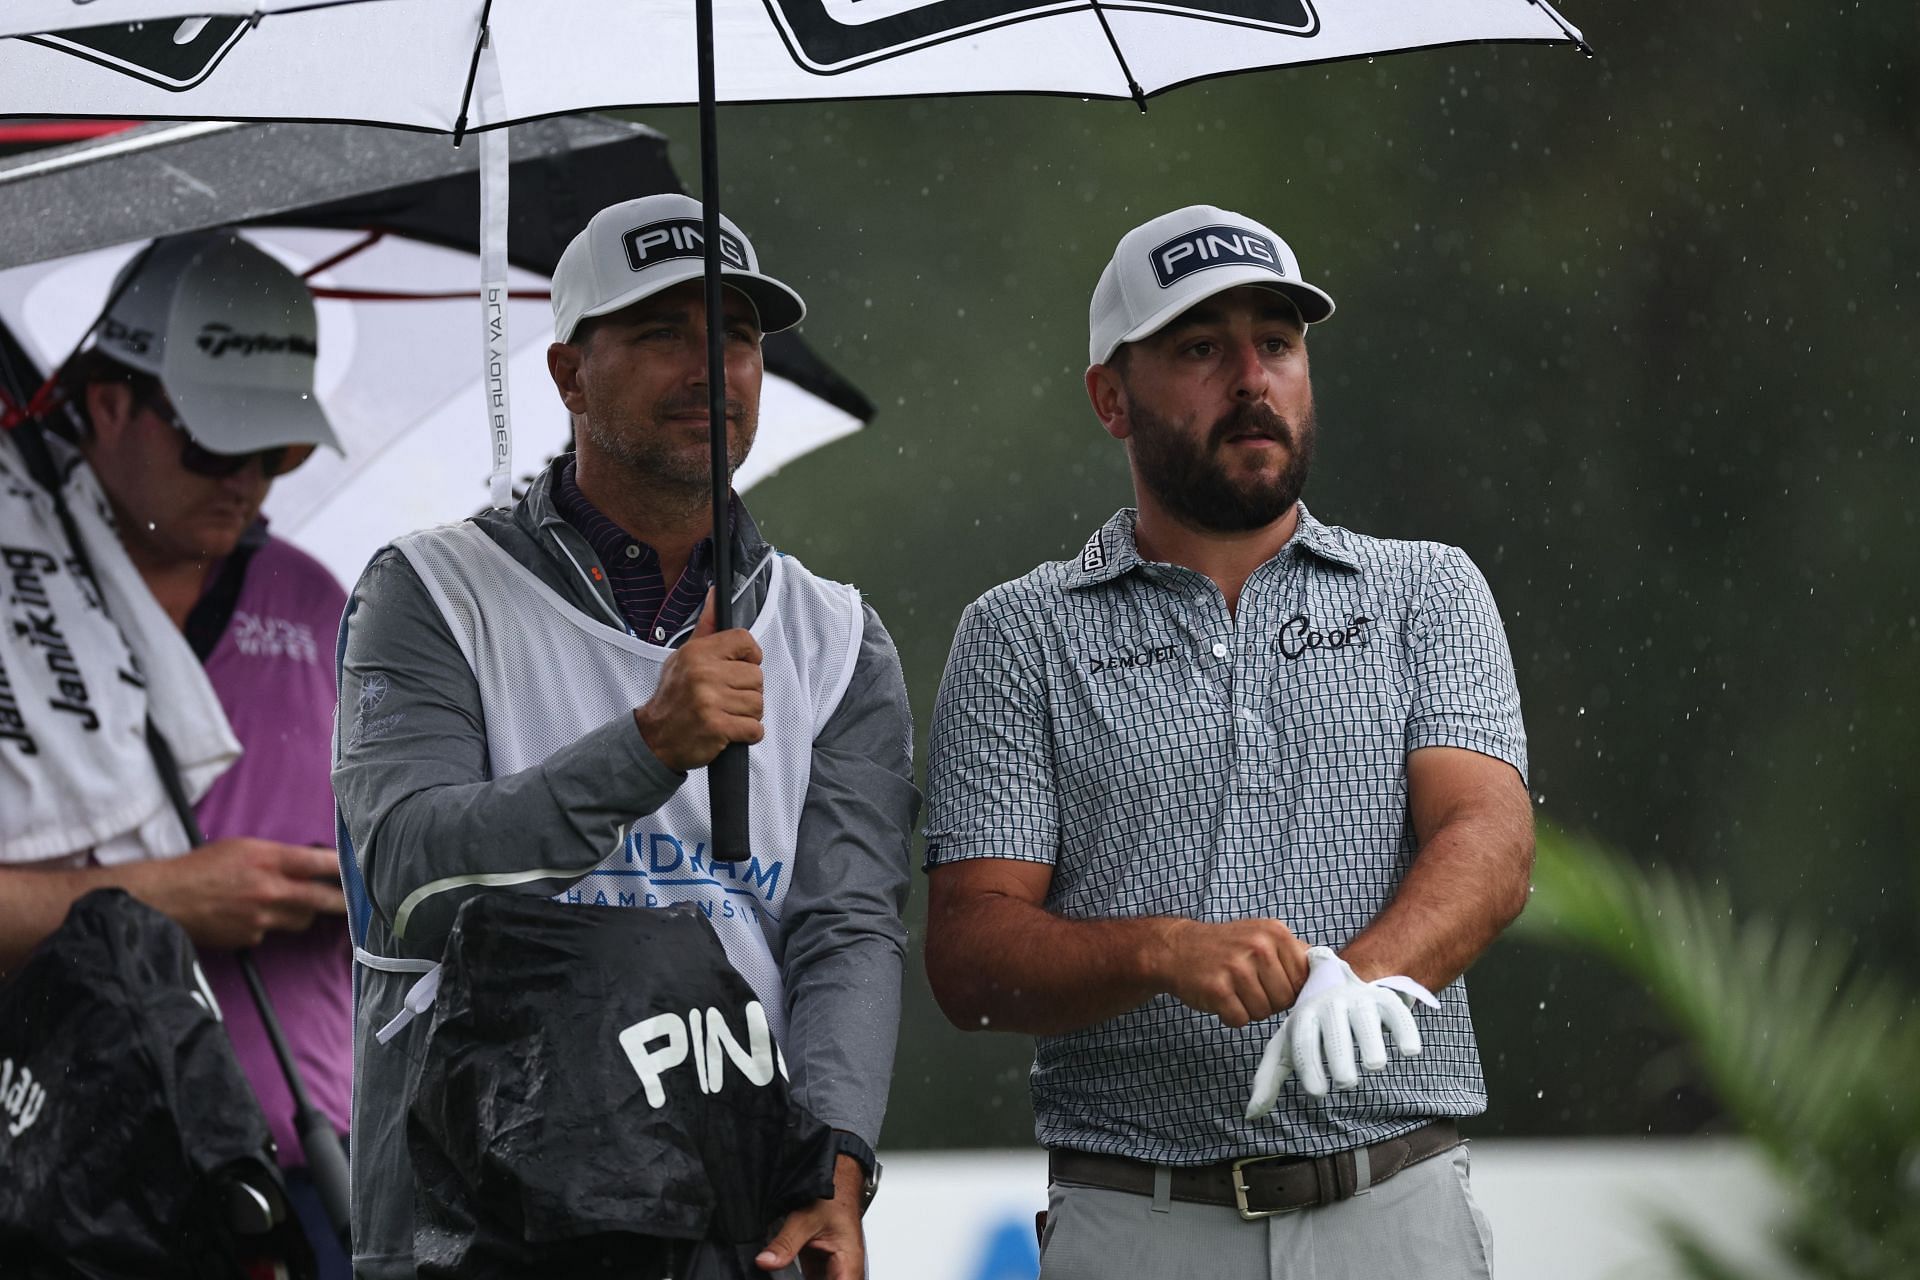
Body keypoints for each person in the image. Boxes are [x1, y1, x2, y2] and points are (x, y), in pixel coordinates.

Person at [922, 204, 1533, 1279]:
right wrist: (1160, 950)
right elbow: (971, 955)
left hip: (1397, 1208)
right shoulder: (1021, 631)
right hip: (1138, 1220)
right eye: (1201, 348)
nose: (1252, 378)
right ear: (1110, 396)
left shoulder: (1427, 590)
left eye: (1279, 344)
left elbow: (1490, 840)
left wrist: (1358, 977)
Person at [332, 193, 917, 1280]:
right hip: (474, 1221)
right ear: (567, 374)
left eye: (736, 334)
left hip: (735, 1218)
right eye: (661, 333)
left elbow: (846, 931)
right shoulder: (423, 590)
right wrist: (647, 747)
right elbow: (407, 869)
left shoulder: (839, 636)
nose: (711, 367)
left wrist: (836, 1167)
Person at [0, 230, 354, 1274]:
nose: (248, 482)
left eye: (279, 449)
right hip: (59, 1191)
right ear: (109, 403)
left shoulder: (318, 601)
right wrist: (163, 897)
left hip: (300, 1184)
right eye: (214, 444)